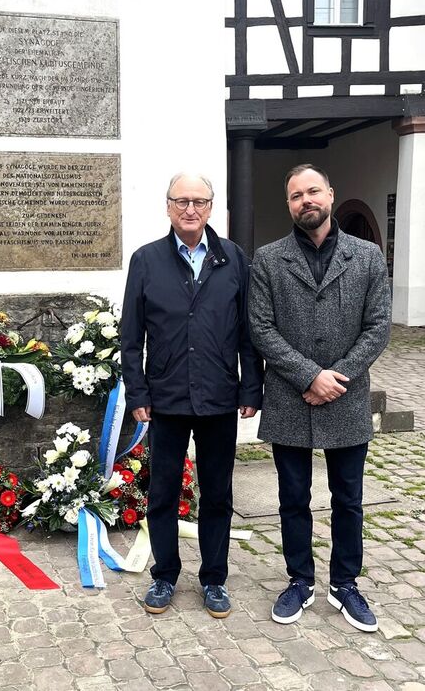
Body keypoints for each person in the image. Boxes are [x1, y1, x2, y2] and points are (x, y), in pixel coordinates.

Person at [248, 164, 391, 632]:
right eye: (296, 195)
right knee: (293, 497)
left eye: (313, 191)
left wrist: (337, 377)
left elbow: (378, 328)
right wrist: (310, 375)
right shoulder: (268, 260)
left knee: (348, 498)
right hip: (291, 397)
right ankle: (300, 580)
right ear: (288, 204)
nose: (306, 200)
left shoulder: (367, 256)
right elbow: (261, 328)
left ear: (330, 194)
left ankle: (345, 584)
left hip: (347, 397)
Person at [121, 173, 263, 617]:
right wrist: (137, 391)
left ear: (211, 207)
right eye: (181, 201)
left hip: (219, 396)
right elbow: (131, 336)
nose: (190, 209)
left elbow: (248, 331)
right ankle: (164, 575)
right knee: (161, 490)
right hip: (165, 398)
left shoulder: (233, 259)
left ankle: (214, 579)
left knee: (217, 493)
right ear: (167, 206)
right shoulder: (146, 261)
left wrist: (251, 387)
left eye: (199, 201)